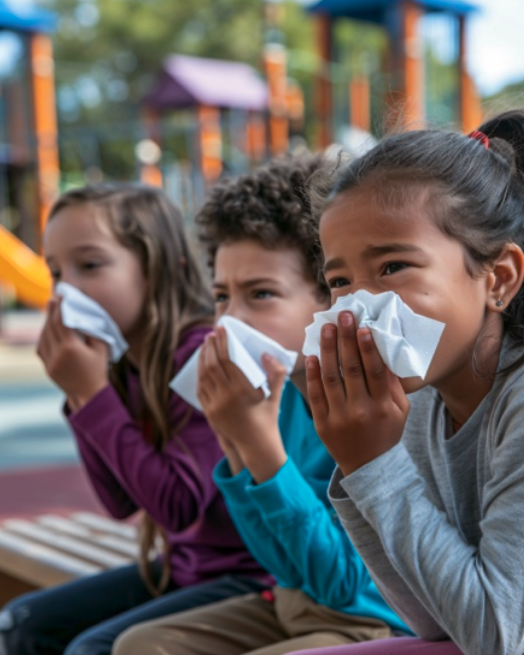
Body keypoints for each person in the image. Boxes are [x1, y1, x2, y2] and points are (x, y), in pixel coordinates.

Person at [113, 154, 407, 655]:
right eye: (222, 296)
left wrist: (259, 445)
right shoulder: (284, 396)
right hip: (290, 604)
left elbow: (342, 584)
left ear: (329, 298)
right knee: (137, 645)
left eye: (261, 294)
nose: (230, 321)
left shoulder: (374, 404)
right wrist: (235, 444)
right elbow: (280, 565)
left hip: (371, 623)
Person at [286, 111, 524, 655]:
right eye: (340, 281)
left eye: (392, 267)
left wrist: (376, 466)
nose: (358, 306)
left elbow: (498, 638)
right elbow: (429, 620)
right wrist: (361, 462)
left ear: (499, 278)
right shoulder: (419, 405)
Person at [0, 184, 272, 655]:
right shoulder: (125, 362)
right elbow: (119, 501)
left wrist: (91, 394)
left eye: (90, 266)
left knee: (92, 650)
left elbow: (177, 506)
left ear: (158, 268)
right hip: (186, 567)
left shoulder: (201, 357)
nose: (67, 291)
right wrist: (82, 394)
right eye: (57, 272)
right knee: (22, 623)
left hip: (249, 577)